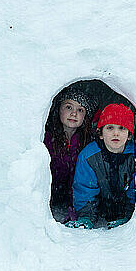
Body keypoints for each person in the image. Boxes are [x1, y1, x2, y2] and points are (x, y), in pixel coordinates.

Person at [68, 103, 136, 230]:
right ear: (100, 133)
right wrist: (86, 216)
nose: (116, 133)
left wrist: (130, 216)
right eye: (110, 128)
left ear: (129, 135)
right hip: (100, 207)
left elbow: (135, 189)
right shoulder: (89, 156)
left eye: (122, 128)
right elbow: (84, 189)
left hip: (124, 206)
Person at [44, 85, 96, 223]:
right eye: (69, 107)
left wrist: (75, 208)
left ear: (85, 116)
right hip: (49, 192)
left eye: (80, 110)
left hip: (72, 196)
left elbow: (82, 179)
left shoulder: (86, 142)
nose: (74, 114)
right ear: (59, 109)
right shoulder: (47, 138)